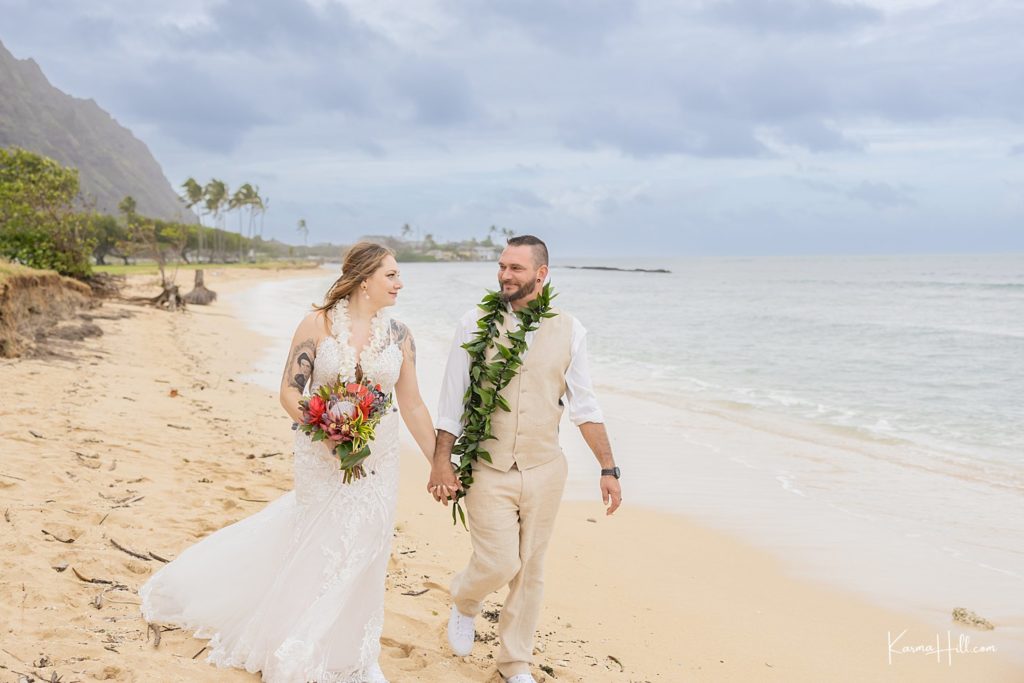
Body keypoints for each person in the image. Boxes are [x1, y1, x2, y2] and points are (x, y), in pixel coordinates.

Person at [140, 242, 437, 683]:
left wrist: (439, 463)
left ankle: (358, 654)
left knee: (368, 548)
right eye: (391, 275)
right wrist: (327, 432)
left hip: (379, 460)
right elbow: (289, 391)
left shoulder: (400, 336)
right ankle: (299, 642)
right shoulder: (315, 325)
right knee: (319, 543)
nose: (400, 283)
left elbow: (411, 406)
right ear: (363, 280)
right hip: (321, 455)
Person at [427, 234, 622, 683]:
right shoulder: (475, 322)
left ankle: (515, 664)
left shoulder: (570, 329)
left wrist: (607, 468)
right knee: (499, 562)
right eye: (501, 266)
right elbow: (451, 399)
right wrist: (442, 462)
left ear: (541, 273)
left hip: (544, 468)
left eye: (515, 268)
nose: (504, 276)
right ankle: (465, 599)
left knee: (531, 570)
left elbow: (585, 407)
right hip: (488, 467)